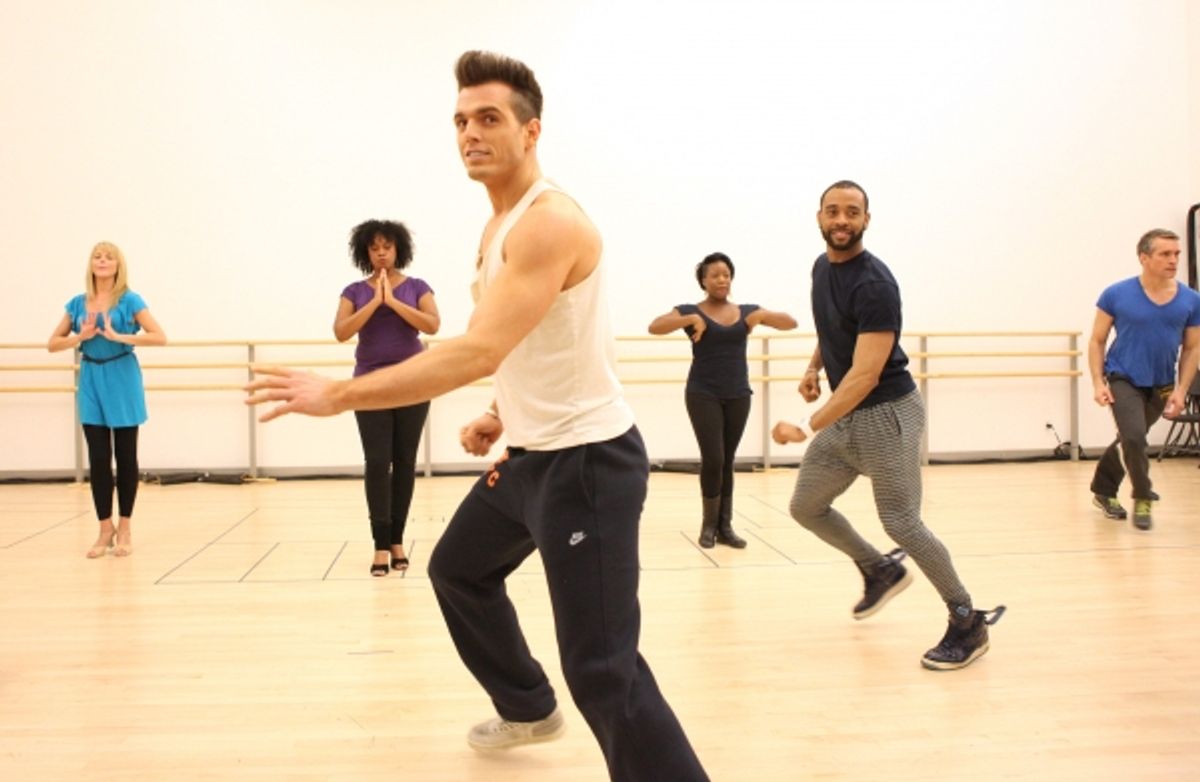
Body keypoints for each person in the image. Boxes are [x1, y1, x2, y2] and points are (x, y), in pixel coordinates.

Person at [246, 51, 707, 781]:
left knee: (603, 671)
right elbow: (543, 337)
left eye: (489, 118)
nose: (470, 133)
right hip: (531, 456)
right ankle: (526, 704)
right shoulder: (498, 224)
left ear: (531, 131)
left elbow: (481, 347)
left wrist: (340, 394)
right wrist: (502, 411)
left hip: (587, 463)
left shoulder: (547, 222)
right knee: (459, 570)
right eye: (461, 120)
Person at [771, 181, 1004, 671]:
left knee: (902, 522)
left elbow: (865, 374)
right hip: (847, 415)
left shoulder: (874, 283)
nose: (841, 220)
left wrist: (805, 424)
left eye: (851, 213)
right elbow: (834, 329)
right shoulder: (822, 268)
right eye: (832, 211)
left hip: (887, 415)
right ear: (818, 217)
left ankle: (967, 619)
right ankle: (879, 568)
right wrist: (814, 367)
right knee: (806, 506)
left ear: (866, 220)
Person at [648, 252, 796, 548]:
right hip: (703, 393)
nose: (721, 279)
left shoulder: (746, 311)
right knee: (713, 458)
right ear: (703, 280)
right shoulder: (690, 310)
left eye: (726, 274)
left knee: (727, 460)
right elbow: (655, 326)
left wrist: (762, 316)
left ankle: (725, 526)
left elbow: (790, 322)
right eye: (715, 275)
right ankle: (708, 525)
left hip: (738, 394)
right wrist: (688, 320)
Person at [48, 241, 167, 558]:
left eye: (109, 256)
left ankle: (125, 526)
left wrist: (119, 336)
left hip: (122, 376)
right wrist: (80, 338)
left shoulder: (130, 300)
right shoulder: (77, 303)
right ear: (91, 264)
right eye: (97, 256)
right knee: (99, 458)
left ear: (118, 265)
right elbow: (52, 343)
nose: (102, 260)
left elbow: (160, 336)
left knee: (125, 456)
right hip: (90, 378)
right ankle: (105, 528)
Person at [335, 219, 440, 576]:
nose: (381, 253)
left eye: (387, 247)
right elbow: (341, 331)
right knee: (378, 464)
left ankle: (398, 541)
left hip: (414, 383)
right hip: (369, 386)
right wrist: (375, 302)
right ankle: (380, 545)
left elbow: (431, 325)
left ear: (399, 250)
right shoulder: (353, 291)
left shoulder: (417, 287)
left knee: (405, 463)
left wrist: (393, 302)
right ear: (365, 252)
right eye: (375, 248)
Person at [1088, 228, 1200, 530]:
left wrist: (1181, 390)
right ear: (1144, 257)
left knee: (1129, 440)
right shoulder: (1116, 294)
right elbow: (1097, 340)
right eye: (1165, 254)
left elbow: (1192, 348)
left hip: (1161, 384)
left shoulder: (1191, 300)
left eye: (1176, 254)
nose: (1173, 260)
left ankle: (1103, 490)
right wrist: (1098, 382)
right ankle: (1143, 495)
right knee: (1135, 437)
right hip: (1122, 377)